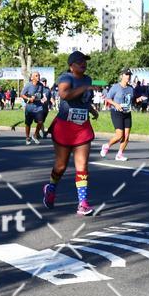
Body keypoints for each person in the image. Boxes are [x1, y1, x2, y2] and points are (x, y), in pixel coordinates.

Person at [43, 51, 98, 216]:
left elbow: (84, 100)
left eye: (85, 60)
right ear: (71, 65)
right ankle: (51, 187)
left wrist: (92, 109)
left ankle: (82, 203)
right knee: (61, 166)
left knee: (82, 166)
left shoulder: (87, 79)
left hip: (82, 127)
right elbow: (64, 94)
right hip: (65, 127)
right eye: (80, 61)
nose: (83, 63)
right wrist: (85, 88)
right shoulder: (65, 78)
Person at [100, 68, 133, 161]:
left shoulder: (131, 88)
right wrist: (116, 104)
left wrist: (138, 100)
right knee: (119, 135)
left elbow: (132, 100)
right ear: (122, 76)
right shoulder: (115, 87)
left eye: (129, 75)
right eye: (126, 74)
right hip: (116, 112)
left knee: (126, 137)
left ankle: (119, 154)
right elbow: (108, 98)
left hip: (127, 113)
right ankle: (106, 146)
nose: (128, 76)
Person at [21, 71, 46, 144]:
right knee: (28, 123)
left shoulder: (41, 85)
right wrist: (28, 99)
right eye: (36, 76)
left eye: (38, 75)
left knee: (41, 121)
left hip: (38, 107)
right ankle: (27, 137)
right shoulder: (28, 85)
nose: (38, 77)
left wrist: (38, 97)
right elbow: (22, 94)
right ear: (32, 78)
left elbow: (40, 95)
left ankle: (35, 135)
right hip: (29, 108)